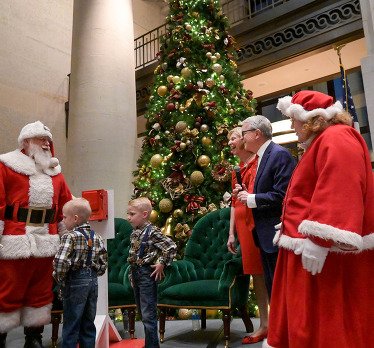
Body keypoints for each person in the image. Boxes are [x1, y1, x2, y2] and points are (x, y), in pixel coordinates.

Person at [263, 90, 374, 348]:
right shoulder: (324, 140)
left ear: (312, 119)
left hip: (324, 255)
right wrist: (291, 222)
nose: (291, 125)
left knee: (328, 320)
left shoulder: (336, 137)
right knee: (313, 321)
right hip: (310, 249)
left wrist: (321, 238)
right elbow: (311, 193)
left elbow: (341, 187)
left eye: (294, 118)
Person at [0, 121, 72, 348]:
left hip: (47, 241)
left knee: (41, 293)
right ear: (26, 141)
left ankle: (34, 339)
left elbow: (66, 207)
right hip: (14, 241)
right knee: (7, 292)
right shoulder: (6, 165)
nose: (46, 143)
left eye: (48, 140)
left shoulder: (56, 173)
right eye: (41, 139)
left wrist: (66, 238)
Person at [235, 116, 296, 300]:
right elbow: (267, 190)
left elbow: (283, 195)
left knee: (284, 292)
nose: (242, 138)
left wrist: (251, 198)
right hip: (265, 236)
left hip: (277, 235)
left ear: (257, 133)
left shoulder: (279, 154)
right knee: (275, 292)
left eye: (244, 134)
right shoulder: (263, 156)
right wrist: (248, 194)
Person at [227, 127, 269, 344]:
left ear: (244, 140)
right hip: (243, 227)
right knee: (256, 275)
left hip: (258, 224)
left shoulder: (259, 162)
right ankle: (265, 323)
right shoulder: (237, 169)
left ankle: (270, 323)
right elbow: (234, 202)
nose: (230, 142)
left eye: (233, 138)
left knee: (266, 274)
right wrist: (231, 233)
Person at [53, 198, 108, 348]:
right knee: (88, 323)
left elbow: (61, 262)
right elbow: (104, 261)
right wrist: (94, 274)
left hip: (75, 282)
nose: (63, 221)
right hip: (92, 282)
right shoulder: (97, 237)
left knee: (71, 324)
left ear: (75, 218)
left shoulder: (69, 237)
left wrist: (60, 278)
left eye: (64, 217)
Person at [127, 197, 177, 348]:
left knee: (149, 315)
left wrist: (162, 262)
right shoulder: (135, 233)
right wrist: (131, 274)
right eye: (128, 214)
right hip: (136, 273)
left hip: (146, 274)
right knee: (142, 313)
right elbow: (132, 255)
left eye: (132, 214)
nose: (128, 218)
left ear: (144, 214)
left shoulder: (152, 231)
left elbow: (171, 246)